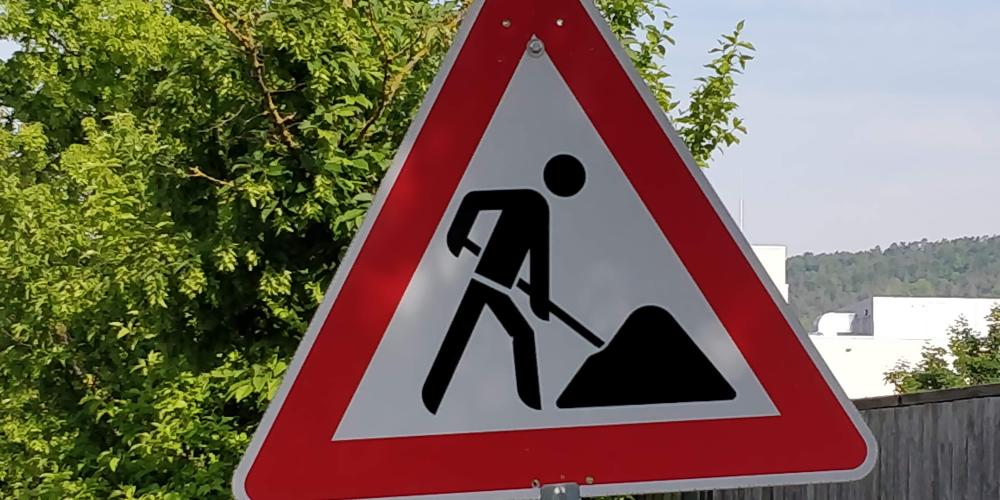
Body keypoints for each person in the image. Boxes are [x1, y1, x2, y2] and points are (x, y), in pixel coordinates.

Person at [421, 154, 586, 414]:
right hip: (487, 281)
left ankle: (431, 396)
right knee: (509, 334)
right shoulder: (530, 201)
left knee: (465, 334)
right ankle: (531, 406)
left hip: (496, 285)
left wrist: (538, 301)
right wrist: (456, 235)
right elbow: (474, 200)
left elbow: (538, 259)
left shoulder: (537, 206)